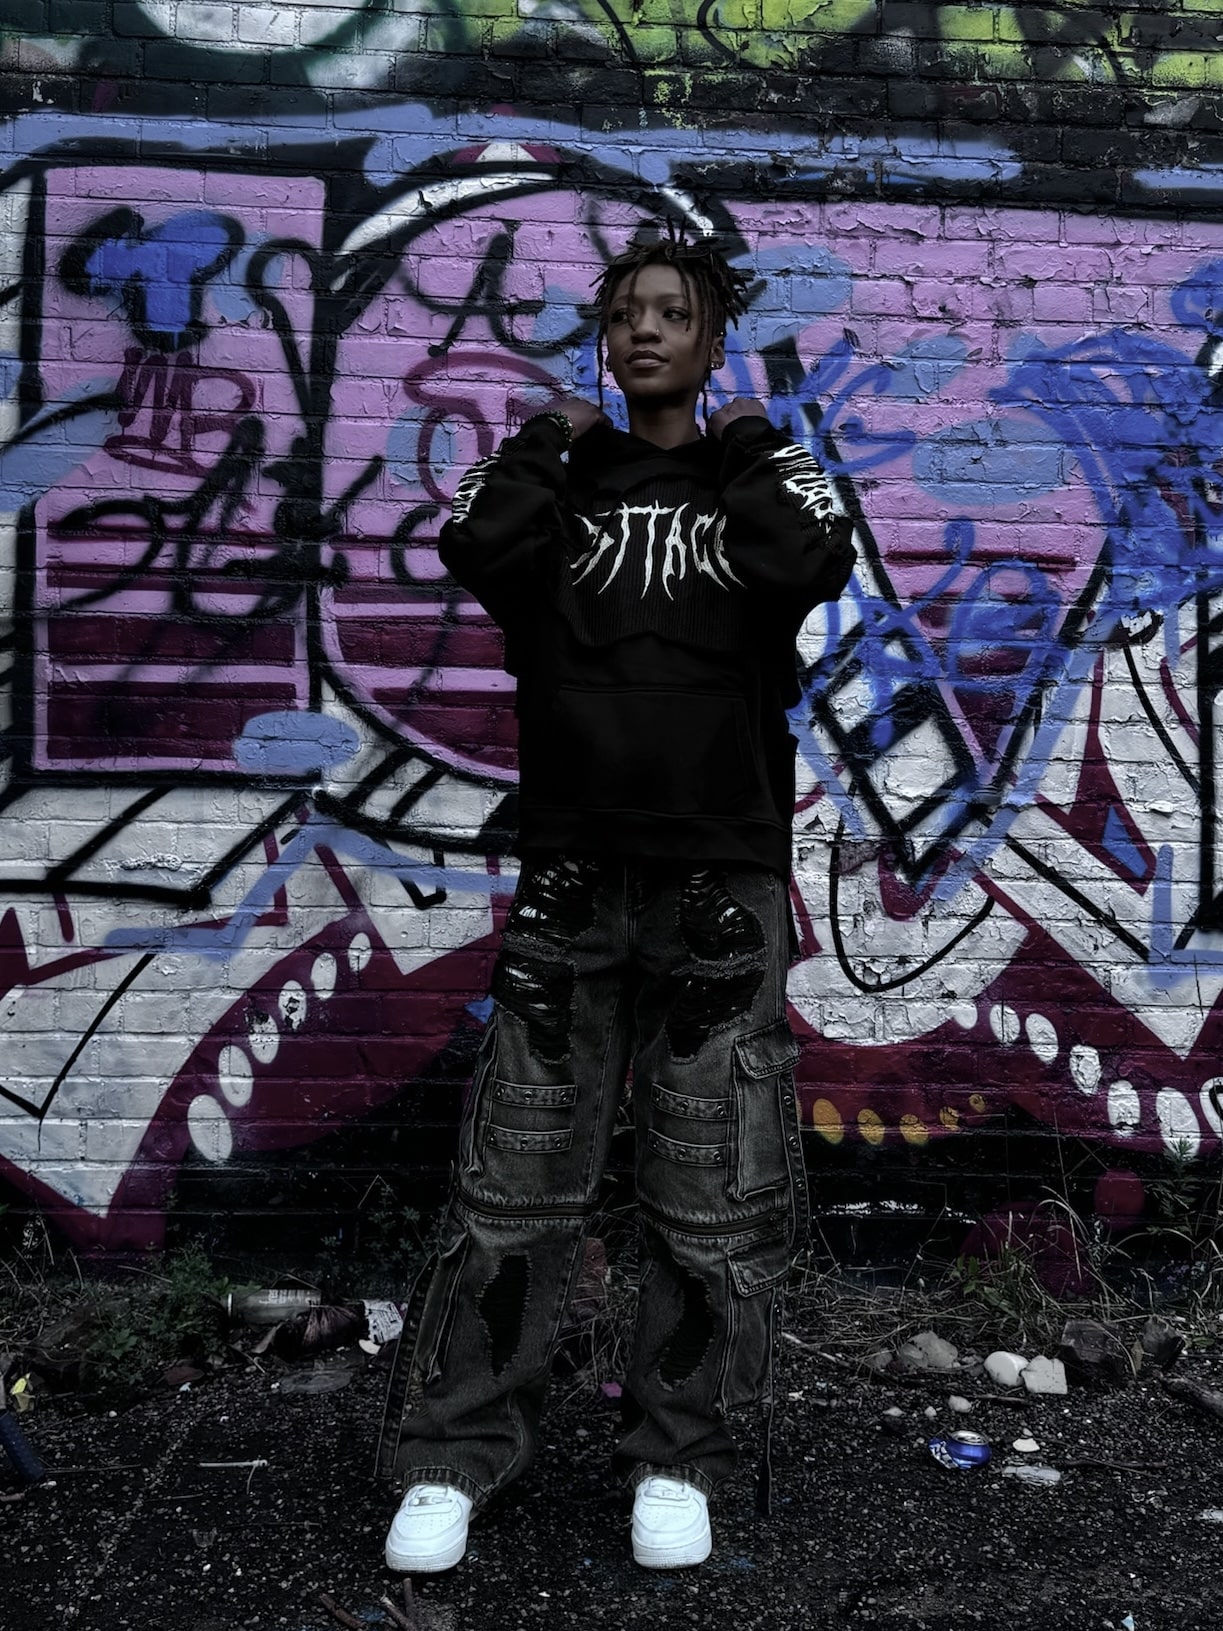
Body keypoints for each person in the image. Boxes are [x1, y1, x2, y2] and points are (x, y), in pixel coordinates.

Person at [380, 223, 855, 1574]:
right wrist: (549, 436)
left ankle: (676, 1458)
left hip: (719, 880)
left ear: (710, 340)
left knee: (708, 1188)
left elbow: (809, 561)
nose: (646, 330)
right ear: (603, 337)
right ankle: (455, 1456)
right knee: (518, 1177)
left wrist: (748, 439)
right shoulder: (556, 478)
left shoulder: (756, 473)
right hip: (575, 873)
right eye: (627, 313)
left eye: (674, 313)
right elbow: (473, 543)